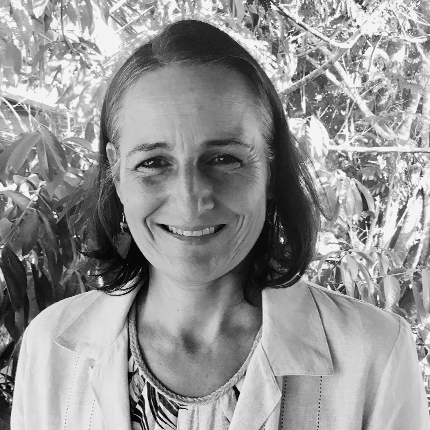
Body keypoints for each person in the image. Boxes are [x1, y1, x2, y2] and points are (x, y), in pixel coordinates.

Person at [11, 19, 429, 430]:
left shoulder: (376, 353)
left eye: (225, 158)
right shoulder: (49, 346)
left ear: (270, 171)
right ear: (117, 176)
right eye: (153, 163)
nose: (191, 199)